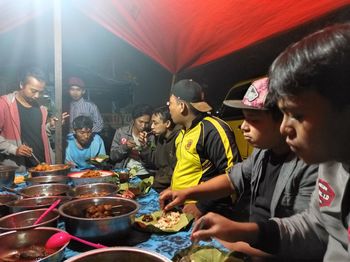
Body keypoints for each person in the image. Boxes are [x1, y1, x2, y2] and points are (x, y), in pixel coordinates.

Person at [189, 24, 350, 261]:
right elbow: (314, 226)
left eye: (297, 114)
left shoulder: (313, 162)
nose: (285, 128)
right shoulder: (331, 163)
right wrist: (239, 230)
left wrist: (236, 240)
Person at [160, 77, 318, 258]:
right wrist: (187, 193)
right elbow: (232, 178)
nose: (243, 127)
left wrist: (235, 237)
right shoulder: (262, 153)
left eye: (254, 120)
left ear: (284, 121)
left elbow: (304, 238)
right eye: (244, 118)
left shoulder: (310, 165)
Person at [165, 79, 241, 219]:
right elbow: (188, 170)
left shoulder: (213, 130)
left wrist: (202, 205)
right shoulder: (181, 133)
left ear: (182, 106)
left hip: (206, 213)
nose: (168, 108)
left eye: (171, 103)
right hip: (181, 207)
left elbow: (233, 176)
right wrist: (172, 189)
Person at [0, 67, 66, 171]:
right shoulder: (4, 104)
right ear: (21, 84)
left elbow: (41, 135)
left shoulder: (41, 108)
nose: (37, 96)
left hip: (42, 166)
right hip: (18, 170)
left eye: (40, 92)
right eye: (33, 91)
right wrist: (14, 149)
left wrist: (51, 126)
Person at [138, 106, 181, 193]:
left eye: (155, 123)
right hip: (160, 184)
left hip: (172, 189)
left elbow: (174, 173)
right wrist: (145, 146)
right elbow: (155, 162)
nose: (152, 127)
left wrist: (154, 185)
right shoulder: (160, 138)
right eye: (152, 123)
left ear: (167, 123)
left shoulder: (179, 139)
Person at [110, 104, 153, 175]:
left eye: (147, 123)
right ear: (133, 120)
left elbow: (152, 162)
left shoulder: (151, 136)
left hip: (144, 173)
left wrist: (145, 147)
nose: (143, 126)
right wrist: (125, 147)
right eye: (140, 122)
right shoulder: (121, 132)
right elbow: (113, 156)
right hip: (123, 172)